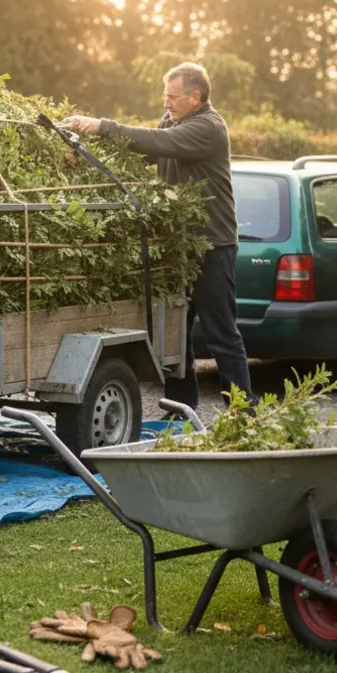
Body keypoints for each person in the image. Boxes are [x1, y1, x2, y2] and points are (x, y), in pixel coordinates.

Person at [59, 62, 254, 412]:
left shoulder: (208, 128)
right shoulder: (174, 120)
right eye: (164, 96)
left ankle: (244, 413)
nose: (166, 103)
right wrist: (84, 152)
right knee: (176, 334)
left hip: (212, 245)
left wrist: (103, 125)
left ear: (195, 97)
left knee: (221, 334)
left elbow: (159, 141)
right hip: (178, 247)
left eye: (172, 97)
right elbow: (142, 152)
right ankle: (181, 410)